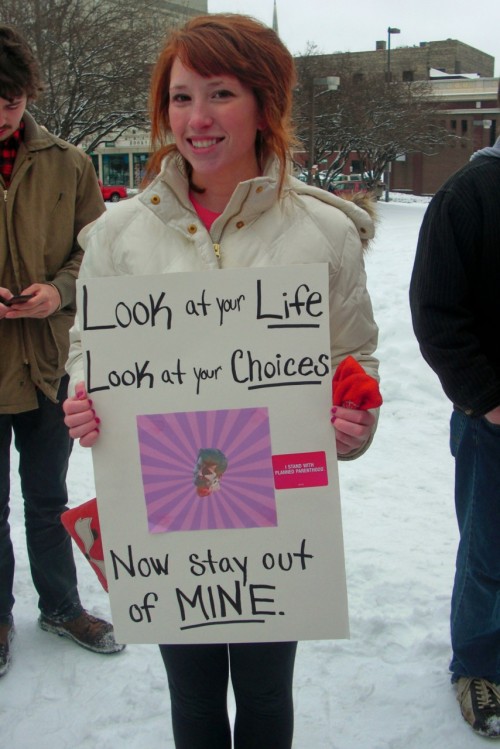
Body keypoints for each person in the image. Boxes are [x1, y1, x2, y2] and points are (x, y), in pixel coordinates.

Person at [63, 14, 380, 748]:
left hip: (277, 505)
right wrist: (83, 395)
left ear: (265, 105)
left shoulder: (323, 234)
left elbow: (352, 355)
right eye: (180, 98)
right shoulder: (118, 235)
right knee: (194, 696)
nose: (197, 119)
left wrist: (355, 413)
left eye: (220, 93)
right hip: (167, 501)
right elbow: (90, 346)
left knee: (268, 694)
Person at [0, 24, 125, 678]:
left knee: (48, 496)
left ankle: (61, 604)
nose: (2, 113)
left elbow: (96, 254)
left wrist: (59, 290)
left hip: (49, 364)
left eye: (13, 99)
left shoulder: (70, 163)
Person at [410, 133, 500, 739]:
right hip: (492, 423)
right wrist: (488, 400)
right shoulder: (472, 193)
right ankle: (480, 665)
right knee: (491, 554)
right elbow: (436, 310)